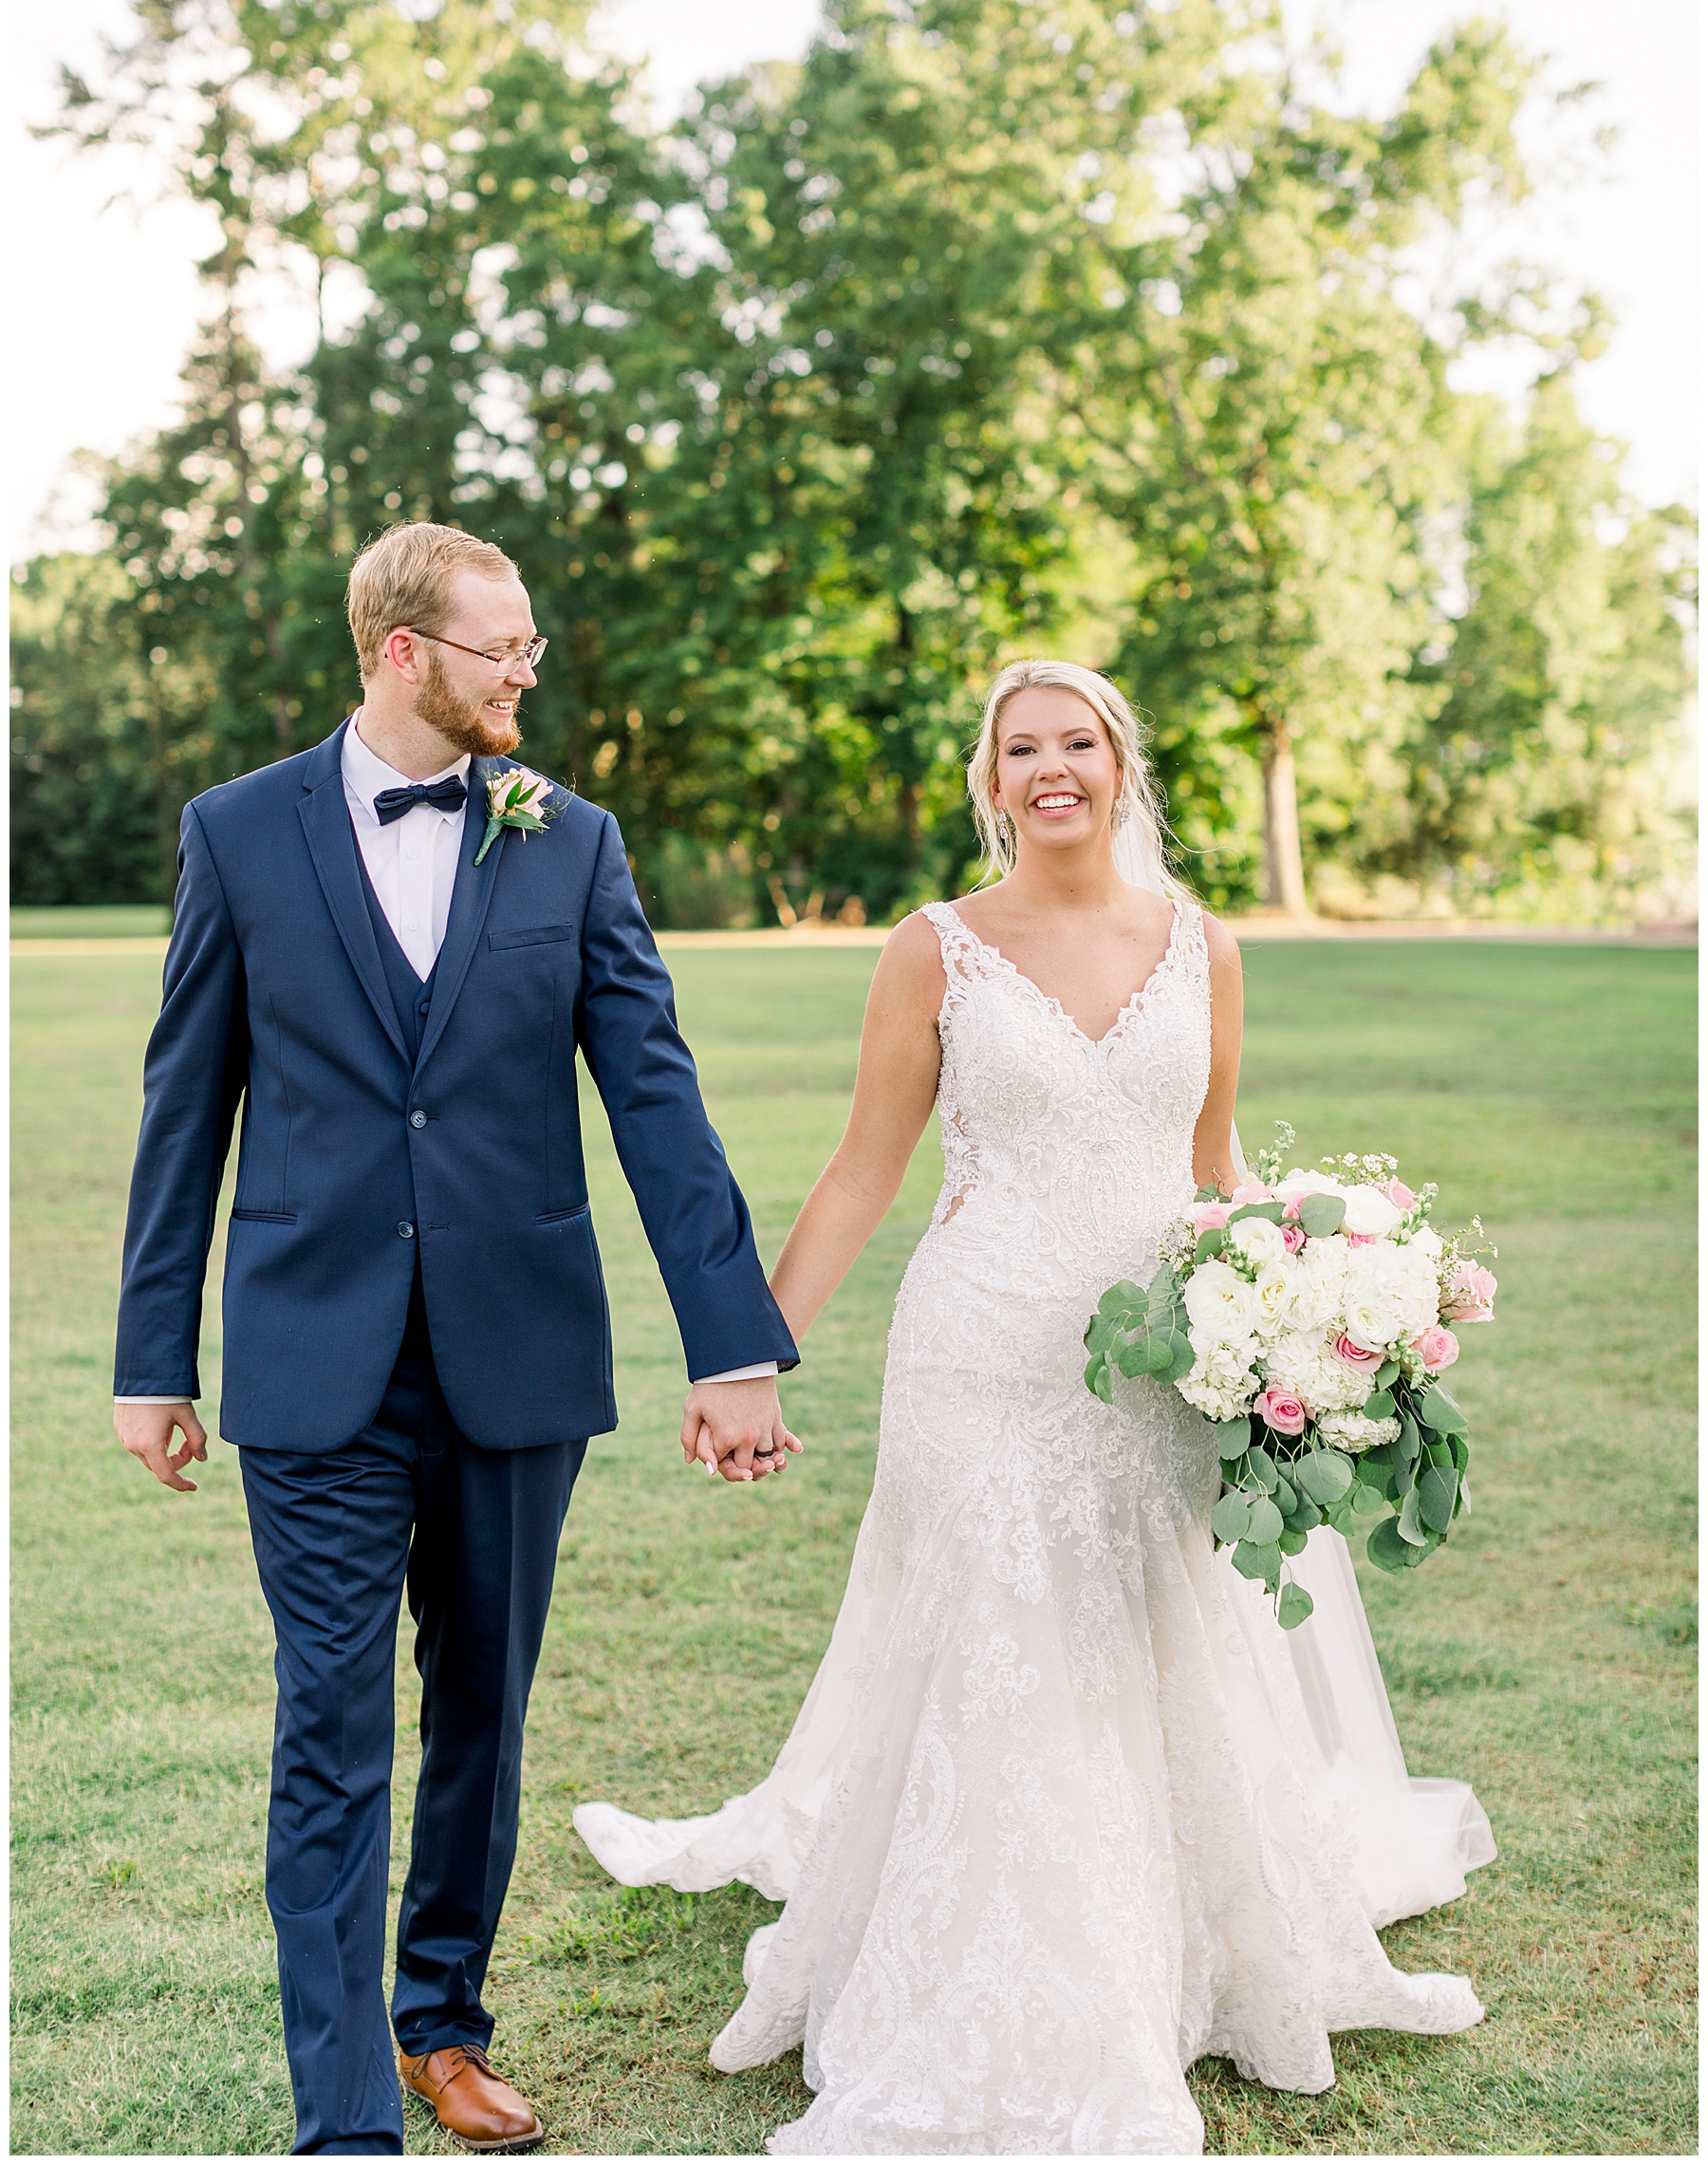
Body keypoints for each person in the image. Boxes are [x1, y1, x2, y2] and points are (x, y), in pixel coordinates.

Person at [575, 658, 1495, 2156]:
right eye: (1024, 747)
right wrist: (747, 1357)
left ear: (1121, 765)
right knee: (1008, 1651)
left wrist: (1303, 1314)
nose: (1052, 766)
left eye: (1079, 741)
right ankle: (1002, 1977)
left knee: (1150, 1636)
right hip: (982, 1354)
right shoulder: (933, 949)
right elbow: (864, 1171)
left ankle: (1181, 1938)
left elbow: (1213, 1166)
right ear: (991, 779)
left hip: (1157, 1363)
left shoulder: (1207, 945)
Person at [112, 521, 803, 2156]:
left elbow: (657, 1098)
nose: (529, 671)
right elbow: (182, 1103)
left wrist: (734, 1339)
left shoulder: (571, 840)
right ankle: (347, 2110)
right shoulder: (238, 832)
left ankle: (445, 2020)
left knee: (482, 1711)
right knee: (332, 1726)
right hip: (311, 1357)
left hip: (517, 1353)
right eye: (505, 646)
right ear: (406, 651)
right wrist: (155, 1356)